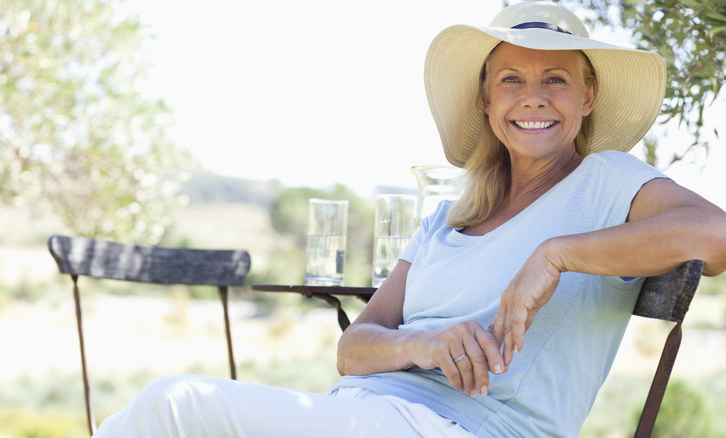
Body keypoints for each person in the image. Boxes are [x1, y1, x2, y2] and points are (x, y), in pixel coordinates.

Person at [91, 2, 726, 437]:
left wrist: (556, 254)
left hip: (467, 427)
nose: (534, 96)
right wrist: (423, 343)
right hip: (369, 416)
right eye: (511, 78)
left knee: (176, 408)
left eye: (556, 78)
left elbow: (717, 235)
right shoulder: (452, 215)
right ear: (486, 99)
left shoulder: (605, 179)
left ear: (587, 97)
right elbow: (353, 348)